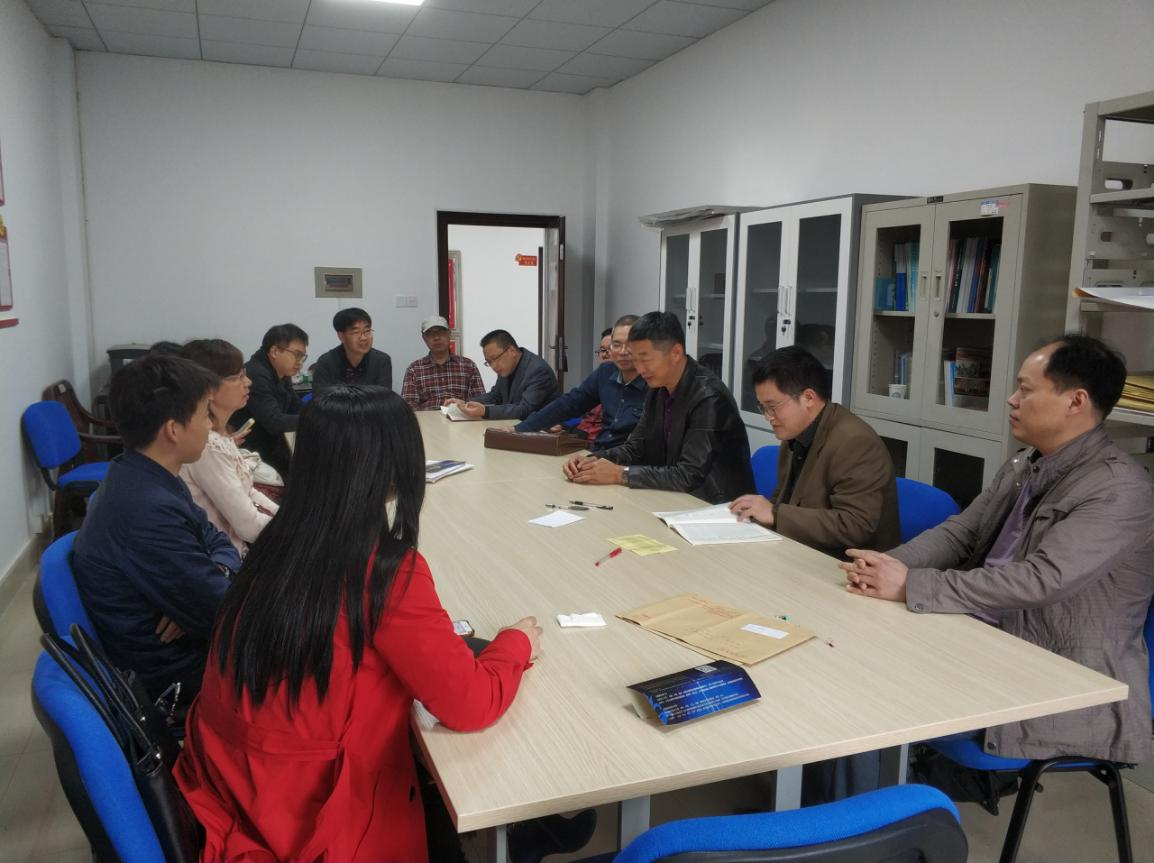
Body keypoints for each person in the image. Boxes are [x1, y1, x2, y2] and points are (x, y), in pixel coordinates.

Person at [174, 385, 543, 862]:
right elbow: (470, 704)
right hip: (318, 825)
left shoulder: (278, 541)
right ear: (394, 468)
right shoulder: (385, 572)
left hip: (239, 797)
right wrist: (515, 643)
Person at [843, 335, 1154, 765]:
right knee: (847, 651)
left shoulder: (1119, 490)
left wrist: (912, 585)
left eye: (1026, 389)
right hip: (981, 638)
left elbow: (1042, 580)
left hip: (1053, 674)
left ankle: (873, 801)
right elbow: (961, 533)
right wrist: (888, 564)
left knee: (870, 688)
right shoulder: (1026, 463)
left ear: (1075, 401)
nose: (1011, 399)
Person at [72, 354, 239, 702]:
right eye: (204, 415)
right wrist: (197, 598)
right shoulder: (146, 507)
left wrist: (209, 579)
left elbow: (217, 540)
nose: (210, 425)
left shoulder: (142, 472)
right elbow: (223, 612)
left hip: (193, 642)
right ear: (173, 430)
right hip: (178, 672)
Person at [563, 311, 754, 504]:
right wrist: (592, 460)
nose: (640, 369)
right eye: (635, 360)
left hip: (716, 506)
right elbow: (636, 447)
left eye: (645, 360)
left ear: (676, 353)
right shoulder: (659, 387)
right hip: (674, 497)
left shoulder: (709, 397)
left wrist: (620, 474)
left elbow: (689, 474)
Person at [729, 345, 900, 559]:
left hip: (846, 565)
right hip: (801, 551)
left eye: (773, 406)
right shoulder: (794, 433)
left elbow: (855, 525)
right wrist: (758, 511)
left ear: (808, 397)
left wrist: (775, 514)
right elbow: (785, 499)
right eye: (763, 408)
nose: (768, 417)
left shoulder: (855, 442)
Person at [179, 339, 278, 556]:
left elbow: (248, 491)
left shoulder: (220, 435)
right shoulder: (207, 446)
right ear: (207, 389)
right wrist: (296, 530)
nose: (248, 382)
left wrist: (285, 517)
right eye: (237, 377)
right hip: (228, 557)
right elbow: (249, 527)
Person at [515, 317, 646, 451]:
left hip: (626, 459)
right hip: (597, 452)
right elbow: (570, 403)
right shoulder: (605, 372)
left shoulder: (654, 384)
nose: (623, 352)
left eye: (630, 345)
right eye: (616, 345)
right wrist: (520, 429)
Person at [230, 323, 308, 477]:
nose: (300, 362)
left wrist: (318, 413)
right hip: (252, 453)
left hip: (270, 446)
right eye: (297, 354)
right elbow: (274, 422)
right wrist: (314, 419)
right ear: (274, 351)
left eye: (303, 357)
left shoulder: (280, 372)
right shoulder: (257, 374)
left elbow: (295, 406)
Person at [447, 329, 559, 420]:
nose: (493, 366)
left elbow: (525, 410)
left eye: (495, 358)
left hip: (545, 431)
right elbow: (495, 396)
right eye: (489, 362)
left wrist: (486, 411)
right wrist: (466, 403)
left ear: (512, 351)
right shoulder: (507, 368)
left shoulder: (538, 370)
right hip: (515, 427)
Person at [400, 315, 485, 409]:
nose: (436, 337)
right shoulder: (414, 369)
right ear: (424, 338)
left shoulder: (468, 366)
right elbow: (408, 406)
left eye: (441, 332)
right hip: (427, 417)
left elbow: (480, 402)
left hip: (460, 416)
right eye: (431, 334)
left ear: (449, 334)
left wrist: (464, 406)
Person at [312, 307, 393, 393]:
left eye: (367, 331)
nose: (363, 338)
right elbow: (320, 398)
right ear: (341, 336)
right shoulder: (326, 362)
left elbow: (384, 397)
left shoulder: (382, 361)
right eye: (356, 332)